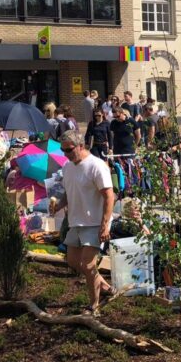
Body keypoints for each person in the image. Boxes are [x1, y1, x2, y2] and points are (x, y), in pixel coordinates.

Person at [51, 131, 115, 316]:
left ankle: (94, 305)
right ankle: (104, 286)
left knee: (87, 265)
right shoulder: (68, 167)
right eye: (63, 151)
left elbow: (109, 196)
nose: (66, 154)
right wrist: (59, 205)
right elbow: (68, 193)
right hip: (75, 222)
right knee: (72, 261)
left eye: (69, 150)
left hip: (95, 222)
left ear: (81, 145)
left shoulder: (96, 166)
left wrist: (105, 224)